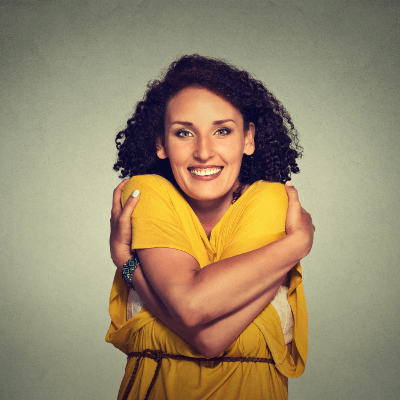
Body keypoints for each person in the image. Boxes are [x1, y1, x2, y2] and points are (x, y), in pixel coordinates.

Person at [107, 54, 314, 400]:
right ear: (161, 142)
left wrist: (128, 265)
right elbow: (196, 317)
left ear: (248, 139)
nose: (204, 151)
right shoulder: (147, 194)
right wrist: (295, 246)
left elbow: (206, 335)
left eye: (222, 130)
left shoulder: (271, 201)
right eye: (184, 132)